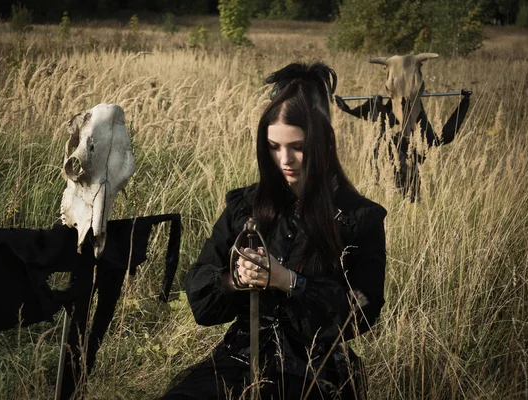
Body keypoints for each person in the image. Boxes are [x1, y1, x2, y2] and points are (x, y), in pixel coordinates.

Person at [160, 63, 387, 400]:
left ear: (323, 143)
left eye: (298, 146)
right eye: (274, 146)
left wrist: (287, 281)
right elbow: (199, 294)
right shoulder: (246, 206)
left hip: (316, 369)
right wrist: (234, 278)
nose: (286, 159)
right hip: (240, 357)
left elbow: (362, 314)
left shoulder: (358, 217)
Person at [334, 91, 471, 200]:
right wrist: (465, 102)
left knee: (384, 125)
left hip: (400, 113)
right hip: (412, 114)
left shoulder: (388, 149)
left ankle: (394, 101)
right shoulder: (422, 145)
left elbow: (382, 123)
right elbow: (448, 133)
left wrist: (349, 110)